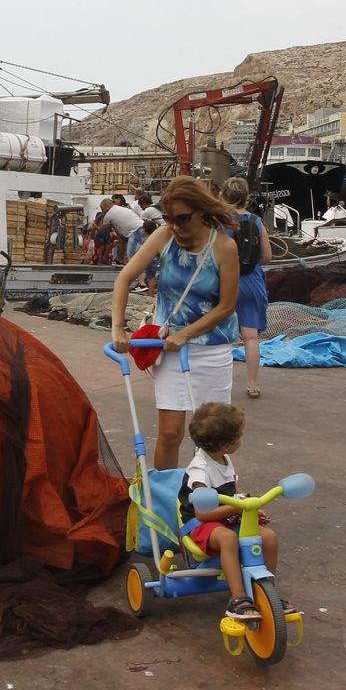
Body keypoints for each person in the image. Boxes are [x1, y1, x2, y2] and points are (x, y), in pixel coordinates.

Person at [110, 175, 240, 469]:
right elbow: (124, 279)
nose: (177, 226)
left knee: (211, 436)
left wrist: (188, 334)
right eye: (170, 218)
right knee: (170, 433)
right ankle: (166, 501)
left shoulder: (224, 247)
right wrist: (118, 327)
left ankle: (208, 497)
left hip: (211, 350)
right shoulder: (164, 237)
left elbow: (226, 306)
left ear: (201, 211)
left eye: (183, 218)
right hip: (166, 347)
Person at [177, 402, 291, 623]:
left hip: (227, 516)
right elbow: (203, 514)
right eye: (239, 437)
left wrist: (251, 508)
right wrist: (240, 507)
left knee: (268, 537)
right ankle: (239, 599)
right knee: (228, 539)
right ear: (227, 445)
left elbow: (233, 489)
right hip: (201, 524)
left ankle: (267, 592)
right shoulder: (200, 471)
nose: (241, 440)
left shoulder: (222, 458)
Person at [221, 177, 272, 399]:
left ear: (223, 195)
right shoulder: (256, 221)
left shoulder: (220, 222)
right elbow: (267, 257)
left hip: (225, 282)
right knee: (250, 337)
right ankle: (252, 384)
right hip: (252, 282)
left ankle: (219, 383)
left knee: (220, 335)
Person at [100, 197, 146, 263]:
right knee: (122, 240)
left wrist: (102, 215)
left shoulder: (109, 214)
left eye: (102, 209)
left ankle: (132, 270)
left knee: (131, 256)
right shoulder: (122, 208)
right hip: (142, 227)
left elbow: (102, 229)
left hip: (135, 231)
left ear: (106, 207)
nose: (102, 210)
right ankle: (119, 259)